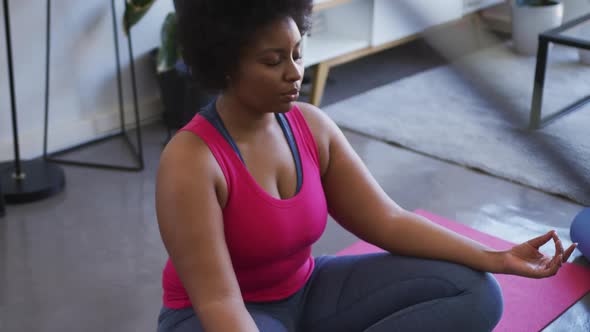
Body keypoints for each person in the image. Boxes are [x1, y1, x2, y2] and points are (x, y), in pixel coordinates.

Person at [155, 1, 577, 331]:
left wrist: (496, 257)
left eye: (298, 53)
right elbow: (218, 302)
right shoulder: (191, 160)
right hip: (215, 318)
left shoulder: (311, 126)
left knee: (473, 292)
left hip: (307, 291)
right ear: (226, 65)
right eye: (273, 61)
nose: (295, 73)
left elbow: (387, 220)